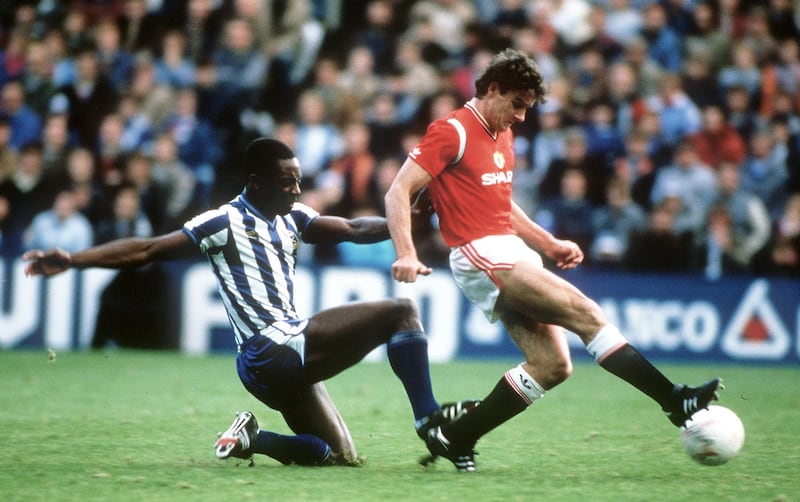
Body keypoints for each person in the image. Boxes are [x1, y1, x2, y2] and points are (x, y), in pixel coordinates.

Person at [24, 137, 475, 467]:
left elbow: (354, 229)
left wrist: (409, 218)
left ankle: (253, 439)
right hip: (274, 347)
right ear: (256, 182)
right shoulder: (222, 221)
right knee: (400, 312)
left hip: (268, 364)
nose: (296, 191)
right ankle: (428, 420)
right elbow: (146, 249)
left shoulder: (293, 217)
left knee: (338, 457)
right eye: (287, 183)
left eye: (298, 182)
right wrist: (75, 259)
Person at [384, 49, 723, 473]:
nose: (522, 116)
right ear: (493, 89)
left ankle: (457, 437)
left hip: (507, 248)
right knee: (586, 312)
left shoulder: (502, 133)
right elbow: (398, 190)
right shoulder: (452, 130)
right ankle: (675, 400)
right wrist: (406, 252)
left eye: (527, 108)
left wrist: (548, 243)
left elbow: (501, 205)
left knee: (553, 366)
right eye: (517, 104)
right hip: (478, 252)